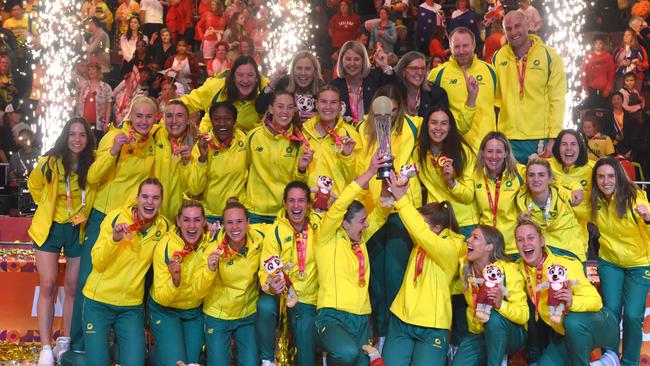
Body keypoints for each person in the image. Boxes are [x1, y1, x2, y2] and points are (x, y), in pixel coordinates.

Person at [63, 96, 161, 361]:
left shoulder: (152, 142)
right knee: (89, 280)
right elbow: (92, 177)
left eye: (148, 117)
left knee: (127, 280)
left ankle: (117, 343)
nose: (143, 121)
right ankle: (78, 345)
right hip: (103, 218)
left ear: (155, 119)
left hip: (131, 221)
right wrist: (113, 152)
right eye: (138, 116)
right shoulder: (114, 137)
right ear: (129, 116)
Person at [357, 85, 422, 347]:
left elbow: (448, 125)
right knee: (376, 282)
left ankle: (396, 337)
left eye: (395, 111)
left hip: (399, 209)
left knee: (395, 276)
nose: (390, 117)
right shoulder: (362, 128)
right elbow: (357, 164)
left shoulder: (414, 126)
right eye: (384, 112)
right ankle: (381, 334)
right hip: (373, 209)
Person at [27, 118, 96, 365]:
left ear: (88, 139)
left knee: (72, 287)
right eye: (72, 134)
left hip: (78, 229)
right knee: (47, 284)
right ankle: (46, 346)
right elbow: (33, 185)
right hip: (51, 229)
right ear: (65, 137)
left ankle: (65, 342)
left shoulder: (93, 164)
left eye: (82, 135)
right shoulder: (49, 162)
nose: (77, 139)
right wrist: (46, 205)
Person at [81, 178, 170, 366]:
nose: (149, 202)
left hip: (131, 307)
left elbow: (183, 239)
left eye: (155, 198)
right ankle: (74, 358)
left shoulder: (164, 227)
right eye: (145, 196)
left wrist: (208, 229)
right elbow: (97, 261)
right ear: (137, 198)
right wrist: (114, 239)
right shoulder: (115, 218)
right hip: (99, 302)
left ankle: (112, 351)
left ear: (161, 202)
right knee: (97, 363)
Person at [314, 152, 391, 366]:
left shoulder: (362, 239)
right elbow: (340, 206)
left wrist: (387, 185)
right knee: (348, 353)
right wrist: (370, 172)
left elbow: (382, 213)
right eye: (361, 221)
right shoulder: (326, 237)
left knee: (362, 362)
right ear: (345, 224)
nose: (366, 225)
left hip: (362, 320)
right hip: (333, 317)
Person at [382, 173, 466, 365]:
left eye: (423, 224)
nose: (416, 228)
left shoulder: (452, 247)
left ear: (437, 228)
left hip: (433, 326)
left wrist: (401, 200)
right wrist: (402, 195)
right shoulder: (424, 239)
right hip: (402, 318)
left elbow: (420, 231)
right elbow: (416, 226)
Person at [515, 217, 620, 366]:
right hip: (566, 334)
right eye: (520, 240)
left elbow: (595, 301)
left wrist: (572, 301)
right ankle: (605, 363)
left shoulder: (564, 265)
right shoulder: (518, 269)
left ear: (542, 241)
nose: (526, 243)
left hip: (600, 325)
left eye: (531, 238)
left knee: (573, 321)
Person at [590, 157, 650, 366]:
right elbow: (575, 214)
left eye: (610, 176)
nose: (606, 181)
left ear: (618, 177)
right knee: (611, 310)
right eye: (601, 176)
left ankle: (630, 362)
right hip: (610, 262)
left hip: (639, 264)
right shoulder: (595, 201)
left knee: (633, 315)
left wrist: (649, 218)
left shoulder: (635, 197)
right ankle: (610, 358)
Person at [192, 198, 266, 366]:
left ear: (248, 222)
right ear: (223, 225)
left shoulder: (259, 239)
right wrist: (210, 269)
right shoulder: (213, 249)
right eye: (229, 223)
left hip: (247, 314)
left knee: (251, 363)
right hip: (218, 315)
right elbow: (198, 291)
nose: (235, 227)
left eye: (239, 221)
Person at [256, 181, 322, 366]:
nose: (296, 206)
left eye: (301, 200)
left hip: (308, 299)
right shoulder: (275, 231)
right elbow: (264, 270)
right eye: (291, 200)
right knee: (265, 305)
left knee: (307, 360)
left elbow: (341, 209)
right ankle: (267, 359)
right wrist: (270, 286)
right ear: (284, 203)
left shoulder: (319, 224)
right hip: (282, 297)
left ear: (308, 204)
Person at [492, 11, 566, 163]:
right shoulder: (498, 57)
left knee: (537, 185)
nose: (513, 32)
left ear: (528, 25)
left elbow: (557, 99)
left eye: (517, 26)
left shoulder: (549, 56)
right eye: (509, 28)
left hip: (539, 137)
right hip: (508, 136)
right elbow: (495, 100)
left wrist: (554, 138)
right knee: (509, 186)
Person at [148, 199, 216, 365]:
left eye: (197, 220)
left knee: (191, 363)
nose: (192, 226)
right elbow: (163, 298)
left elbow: (200, 293)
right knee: (177, 363)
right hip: (165, 310)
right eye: (186, 220)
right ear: (178, 221)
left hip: (193, 312)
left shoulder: (210, 244)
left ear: (204, 222)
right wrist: (175, 280)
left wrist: (210, 269)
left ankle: (157, 354)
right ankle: (152, 354)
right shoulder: (165, 247)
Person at [452, 225, 528, 366]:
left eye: (475, 237)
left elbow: (524, 315)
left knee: (494, 318)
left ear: (489, 247)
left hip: (511, 333)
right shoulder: (466, 268)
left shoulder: (508, 271)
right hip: (478, 333)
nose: (468, 240)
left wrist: (501, 304)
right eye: (470, 236)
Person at [245, 91, 312, 223]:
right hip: (255, 211)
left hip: (285, 211)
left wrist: (301, 169)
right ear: (271, 109)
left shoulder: (300, 140)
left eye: (289, 107)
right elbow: (244, 170)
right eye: (280, 106)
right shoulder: (253, 136)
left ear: (294, 111)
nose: (285, 111)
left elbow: (300, 184)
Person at [428, 27, 496, 151]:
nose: (461, 51)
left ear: (474, 45)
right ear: (450, 47)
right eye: (457, 46)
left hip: (487, 150)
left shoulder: (491, 71)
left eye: (465, 46)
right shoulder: (437, 74)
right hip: (455, 150)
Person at [416, 104, 477, 237]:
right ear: (427, 126)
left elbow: (468, 196)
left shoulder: (463, 152)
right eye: (434, 123)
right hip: (436, 224)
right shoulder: (419, 153)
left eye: (443, 123)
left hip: (463, 223)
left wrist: (451, 182)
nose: (438, 128)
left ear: (450, 127)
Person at [515, 158, 588, 262]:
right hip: (543, 257)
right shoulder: (520, 201)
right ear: (526, 179)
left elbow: (588, 215)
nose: (536, 179)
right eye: (531, 175)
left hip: (570, 254)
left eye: (541, 175)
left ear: (549, 179)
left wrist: (577, 186)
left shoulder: (568, 197)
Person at [188, 101, 248, 222]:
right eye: (217, 119)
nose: (222, 124)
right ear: (211, 120)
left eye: (227, 119)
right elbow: (194, 189)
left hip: (237, 215)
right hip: (210, 216)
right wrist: (202, 159)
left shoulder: (245, 141)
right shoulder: (202, 144)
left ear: (235, 121)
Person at [181, 55, 270, 133]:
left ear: (257, 78)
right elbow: (189, 102)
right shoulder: (216, 86)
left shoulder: (265, 87)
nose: (245, 80)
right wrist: (170, 110)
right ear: (233, 77)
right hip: (211, 142)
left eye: (250, 75)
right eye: (240, 75)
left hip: (246, 145)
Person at [302, 85, 360, 198]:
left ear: (340, 106)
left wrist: (347, 157)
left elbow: (356, 179)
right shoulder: (303, 132)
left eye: (333, 102)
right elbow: (297, 175)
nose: (328, 107)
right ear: (316, 104)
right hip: (308, 205)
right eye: (323, 102)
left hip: (338, 206)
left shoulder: (351, 135)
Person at [472, 132, 525, 256]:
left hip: (512, 247)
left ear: (506, 153)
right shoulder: (475, 175)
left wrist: (574, 187)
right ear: (483, 153)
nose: (494, 156)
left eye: (499, 151)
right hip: (486, 248)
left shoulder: (519, 173)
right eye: (490, 151)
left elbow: (549, 177)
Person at [330, 41, 396, 126]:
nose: (352, 63)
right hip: (345, 137)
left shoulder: (375, 78)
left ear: (364, 61)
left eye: (357, 59)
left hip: (373, 135)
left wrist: (385, 67)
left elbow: (399, 92)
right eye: (348, 59)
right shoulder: (334, 86)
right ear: (342, 60)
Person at [257, 51, 326, 124]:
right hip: (283, 133)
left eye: (308, 69)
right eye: (299, 68)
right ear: (293, 70)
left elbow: (334, 114)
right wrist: (274, 81)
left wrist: (320, 117)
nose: (303, 73)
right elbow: (260, 108)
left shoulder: (322, 89)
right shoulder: (284, 84)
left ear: (314, 71)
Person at [154, 100, 194, 220]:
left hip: (180, 218)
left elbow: (194, 188)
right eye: (169, 116)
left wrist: (188, 161)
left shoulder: (197, 144)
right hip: (153, 214)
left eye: (179, 116)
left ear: (187, 120)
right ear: (164, 118)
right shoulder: (154, 134)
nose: (174, 121)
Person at [548, 129, 594, 227]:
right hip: (552, 227)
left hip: (580, 229)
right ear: (558, 148)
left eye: (573, 144)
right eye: (564, 144)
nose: (568, 148)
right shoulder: (547, 166)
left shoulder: (593, 169)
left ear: (580, 147)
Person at [393, 51, 448, 119]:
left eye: (423, 68)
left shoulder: (437, 94)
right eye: (414, 68)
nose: (420, 72)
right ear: (403, 71)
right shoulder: (394, 93)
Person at [75, 61, 113, 137]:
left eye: (93, 69)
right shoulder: (84, 85)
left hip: (99, 124)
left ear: (98, 70)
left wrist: (107, 123)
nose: (91, 71)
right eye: (89, 69)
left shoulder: (105, 87)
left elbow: (109, 106)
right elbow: (79, 104)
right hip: (84, 122)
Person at [580, 34, 616, 110]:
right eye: (596, 43)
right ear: (593, 44)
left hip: (604, 91)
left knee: (604, 113)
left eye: (600, 43)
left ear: (603, 44)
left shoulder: (608, 57)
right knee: (591, 113)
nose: (598, 45)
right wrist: (585, 89)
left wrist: (608, 89)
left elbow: (611, 74)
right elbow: (583, 74)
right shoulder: (588, 56)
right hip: (591, 90)